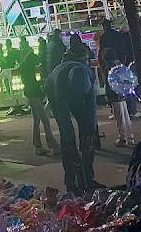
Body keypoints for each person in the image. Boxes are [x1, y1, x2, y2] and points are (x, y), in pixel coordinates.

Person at [45, 46, 101, 194]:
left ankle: (88, 178)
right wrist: (71, 141)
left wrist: (90, 132)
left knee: (88, 135)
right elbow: (64, 118)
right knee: (67, 138)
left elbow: (91, 108)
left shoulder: (88, 75)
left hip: (75, 94)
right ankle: (71, 181)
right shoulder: (60, 83)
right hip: (55, 92)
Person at [17, 37, 57, 155]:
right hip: (33, 95)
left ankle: (38, 145)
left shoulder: (25, 70)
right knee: (45, 120)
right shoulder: (29, 72)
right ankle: (52, 144)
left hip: (30, 95)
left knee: (37, 121)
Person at [101, 49, 135, 149]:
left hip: (114, 95)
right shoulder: (119, 65)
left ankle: (122, 138)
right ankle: (130, 137)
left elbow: (109, 83)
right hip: (123, 93)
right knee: (125, 115)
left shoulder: (108, 67)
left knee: (119, 117)